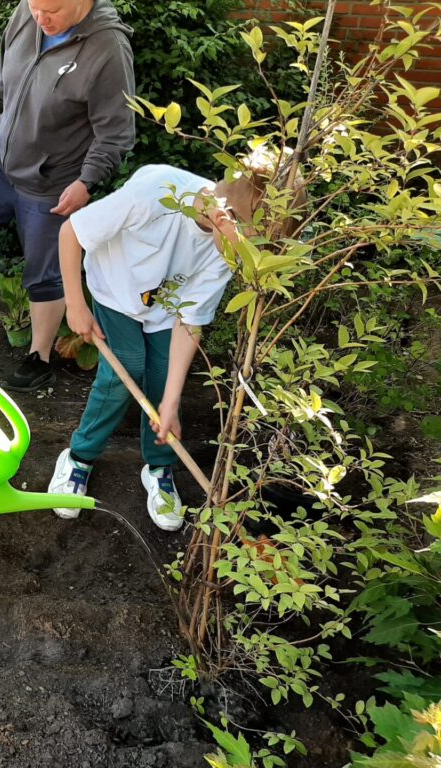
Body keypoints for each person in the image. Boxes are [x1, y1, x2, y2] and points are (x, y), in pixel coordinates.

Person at [47, 159, 271, 531]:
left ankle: (159, 467)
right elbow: (71, 231)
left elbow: (190, 321)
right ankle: (79, 457)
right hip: (115, 291)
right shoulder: (156, 194)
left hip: (166, 310)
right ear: (225, 216)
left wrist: (169, 402)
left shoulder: (227, 249)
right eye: (243, 249)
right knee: (125, 368)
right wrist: (75, 304)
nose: (240, 262)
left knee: (165, 379)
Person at [0, 0, 136, 392]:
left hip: (52, 182)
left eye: (51, 9)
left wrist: (86, 182)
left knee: (44, 274)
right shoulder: (27, 12)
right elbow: (5, 76)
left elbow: (115, 133)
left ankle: (39, 357)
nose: (40, 18)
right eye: (35, 7)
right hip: (1, 161)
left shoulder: (108, 48)